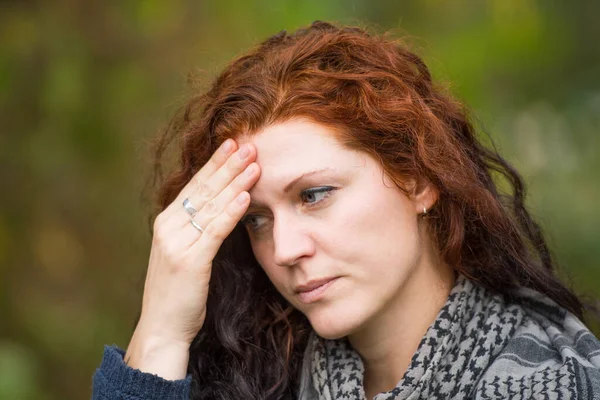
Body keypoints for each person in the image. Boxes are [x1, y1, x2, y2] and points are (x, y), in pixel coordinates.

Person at [91, 21, 600, 399]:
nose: (285, 250)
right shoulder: (261, 374)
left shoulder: (548, 383)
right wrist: (159, 334)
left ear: (419, 178)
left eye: (314, 195)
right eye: (256, 220)